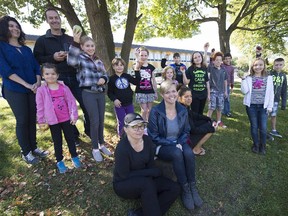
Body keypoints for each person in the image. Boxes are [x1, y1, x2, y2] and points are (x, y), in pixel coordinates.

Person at [33, 8, 90, 143]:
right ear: (47, 21)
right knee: (64, 109)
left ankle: (89, 131)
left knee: (86, 104)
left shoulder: (70, 39)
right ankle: (74, 135)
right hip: (57, 80)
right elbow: (37, 59)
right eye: (51, 18)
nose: (54, 20)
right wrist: (52, 57)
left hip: (75, 77)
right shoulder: (42, 41)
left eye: (56, 17)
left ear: (60, 18)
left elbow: (81, 55)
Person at [148, 80, 203, 210]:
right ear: (162, 95)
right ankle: (184, 188)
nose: (171, 95)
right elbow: (154, 136)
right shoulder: (155, 111)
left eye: (173, 91)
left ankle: (192, 186)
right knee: (177, 153)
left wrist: (178, 142)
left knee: (189, 153)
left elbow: (186, 131)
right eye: (167, 92)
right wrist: (172, 143)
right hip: (161, 144)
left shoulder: (182, 110)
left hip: (179, 141)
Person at [0, 15, 48, 164]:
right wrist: (27, 85)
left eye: (17, 26)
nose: (15, 29)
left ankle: (34, 148)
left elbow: (36, 68)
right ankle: (25, 152)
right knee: (22, 120)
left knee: (31, 118)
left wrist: (37, 83)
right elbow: (6, 71)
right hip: (14, 89)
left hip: (33, 89)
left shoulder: (26, 49)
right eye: (11, 26)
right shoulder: (1, 47)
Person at [113, 113, 180, 216]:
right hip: (123, 183)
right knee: (147, 184)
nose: (139, 129)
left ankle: (139, 213)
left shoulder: (147, 140)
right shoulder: (122, 149)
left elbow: (150, 164)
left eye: (141, 125)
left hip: (145, 178)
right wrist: (150, 172)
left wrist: (152, 172)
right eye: (134, 126)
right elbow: (124, 175)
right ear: (126, 129)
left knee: (174, 188)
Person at [67, 31, 111, 162]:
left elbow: (105, 74)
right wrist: (74, 42)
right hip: (88, 93)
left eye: (92, 45)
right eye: (87, 46)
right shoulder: (80, 58)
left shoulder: (98, 60)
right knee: (94, 121)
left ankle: (102, 144)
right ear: (82, 47)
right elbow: (71, 61)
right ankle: (95, 148)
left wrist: (104, 78)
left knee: (101, 120)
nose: (90, 48)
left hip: (100, 93)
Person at [36, 63, 81, 173]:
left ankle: (74, 156)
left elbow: (71, 102)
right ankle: (59, 161)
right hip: (53, 121)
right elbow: (40, 106)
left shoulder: (64, 88)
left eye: (53, 74)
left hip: (66, 119)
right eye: (47, 74)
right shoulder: (41, 90)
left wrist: (73, 115)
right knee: (57, 141)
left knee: (70, 138)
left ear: (57, 75)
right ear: (42, 75)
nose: (50, 76)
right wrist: (41, 120)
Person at [240, 58, 274, 154]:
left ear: (264, 66)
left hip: (264, 107)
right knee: (254, 126)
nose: (258, 67)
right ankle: (256, 144)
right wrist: (243, 79)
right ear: (252, 66)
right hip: (251, 106)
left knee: (263, 127)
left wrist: (270, 106)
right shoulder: (249, 77)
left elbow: (271, 93)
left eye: (260, 65)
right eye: (255, 65)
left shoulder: (269, 78)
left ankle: (263, 146)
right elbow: (244, 91)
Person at [178, 85, 216, 156]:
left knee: (207, 123)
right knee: (211, 129)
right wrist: (210, 128)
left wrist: (209, 119)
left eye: (190, 96)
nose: (189, 98)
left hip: (187, 134)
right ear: (180, 98)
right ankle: (195, 149)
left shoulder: (184, 107)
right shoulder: (182, 111)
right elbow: (194, 130)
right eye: (186, 97)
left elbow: (196, 116)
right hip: (184, 141)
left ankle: (197, 145)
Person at [108, 58, 140, 137]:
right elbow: (109, 92)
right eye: (117, 65)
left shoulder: (127, 76)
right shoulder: (111, 79)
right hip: (119, 105)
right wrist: (114, 99)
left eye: (121, 65)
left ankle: (131, 135)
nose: (119, 67)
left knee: (131, 120)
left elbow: (137, 82)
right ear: (113, 67)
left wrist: (136, 71)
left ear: (124, 66)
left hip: (129, 103)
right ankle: (122, 137)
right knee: (122, 121)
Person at [182, 49, 210, 115]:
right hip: (194, 95)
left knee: (201, 112)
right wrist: (183, 73)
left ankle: (199, 124)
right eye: (195, 58)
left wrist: (208, 95)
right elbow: (186, 83)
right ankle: (194, 124)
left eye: (199, 56)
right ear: (193, 60)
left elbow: (207, 83)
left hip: (203, 94)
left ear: (201, 57)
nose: (197, 59)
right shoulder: (190, 69)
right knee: (195, 113)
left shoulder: (204, 68)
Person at [134, 46, 158, 122]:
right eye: (141, 55)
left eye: (145, 55)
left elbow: (153, 80)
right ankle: (143, 125)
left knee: (149, 110)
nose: (143, 57)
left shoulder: (151, 67)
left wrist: (155, 91)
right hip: (141, 91)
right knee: (144, 110)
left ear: (148, 56)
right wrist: (137, 56)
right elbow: (137, 68)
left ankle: (149, 124)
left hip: (150, 91)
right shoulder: (137, 65)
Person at [207, 52, 228, 128]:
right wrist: (208, 94)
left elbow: (225, 81)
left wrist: (226, 91)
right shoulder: (210, 68)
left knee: (220, 107)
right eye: (216, 60)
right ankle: (208, 121)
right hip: (213, 91)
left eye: (220, 60)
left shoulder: (223, 70)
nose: (218, 61)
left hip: (221, 92)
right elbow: (207, 81)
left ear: (222, 61)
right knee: (211, 107)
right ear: (214, 61)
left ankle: (219, 121)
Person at [269, 58, 287, 138]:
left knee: (273, 115)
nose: (278, 66)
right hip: (267, 100)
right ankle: (262, 130)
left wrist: (283, 102)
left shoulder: (283, 76)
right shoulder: (269, 73)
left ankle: (273, 130)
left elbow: (284, 90)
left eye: (280, 65)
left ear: (283, 65)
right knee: (264, 115)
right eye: (276, 65)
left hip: (276, 100)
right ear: (273, 65)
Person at [222, 53, 235, 117]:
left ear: (231, 59)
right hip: (220, 85)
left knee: (227, 98)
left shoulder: (232, 68)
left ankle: (227, 111)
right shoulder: (221, 65)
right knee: (221, 98)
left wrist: (232, 86)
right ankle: (222, 110)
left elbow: (232, 76)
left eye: (229, 59)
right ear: (223, 60)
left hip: (227, 85)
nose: (227, 60)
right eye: (226, 59)